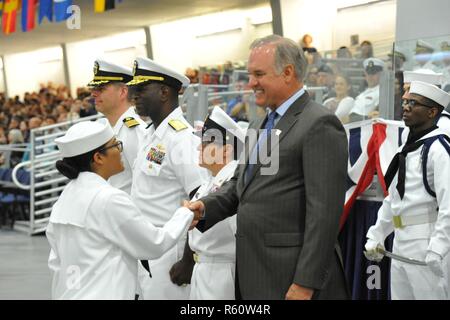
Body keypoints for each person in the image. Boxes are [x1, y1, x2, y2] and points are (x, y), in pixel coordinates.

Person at [187, 35, 349, 300]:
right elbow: (240, 187)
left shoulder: (319, 124)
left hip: (292, 279)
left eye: (259, 74)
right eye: (250, 75)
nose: (251, 83)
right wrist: (204, 208)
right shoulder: (259, 125)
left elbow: (324, 215)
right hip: (257, 274)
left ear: (287, 73)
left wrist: (305, 283)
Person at [46, 120, 199, 299]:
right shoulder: (108, 198)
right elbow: (154, 243)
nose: (120, 150)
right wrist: (185, 214)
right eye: (115, 145)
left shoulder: (64, 199)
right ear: (98, 158)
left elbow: (55, 264)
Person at [127, 57, 209, 300]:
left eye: (141, 89)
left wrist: (189, 259)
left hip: (170, 253)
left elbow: (201, 199)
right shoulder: (151, 134)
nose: (134, 96)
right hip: (147, 247)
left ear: (164, 92)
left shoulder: (180, 138)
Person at [364, 81, 450, 299]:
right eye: (405, 102)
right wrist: (377, 233)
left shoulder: (439, 148)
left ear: (432, 112)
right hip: (402, 240)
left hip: (427, 241)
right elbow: (394, 198)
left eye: (414, 103)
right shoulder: (407, 147)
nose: (406, 107)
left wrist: (439, 247)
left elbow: (449, 204)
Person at [170, 106, 245, 300]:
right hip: (204, 269)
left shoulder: (232, 182)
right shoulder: (212, 181)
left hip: (222, 273)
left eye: (205, 143)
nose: (198, 147)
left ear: (226, 150)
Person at [89, 59, 146, 194]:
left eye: (101, 88)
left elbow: (144, 186)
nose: (93, 93)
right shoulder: (106, 128)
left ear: (122, 92)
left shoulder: (135, 131)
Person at [401, 69, 450, 141]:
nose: (404, 96)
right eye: (404, 90)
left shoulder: (445, 127)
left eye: (410, 89)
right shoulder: (411, 125)